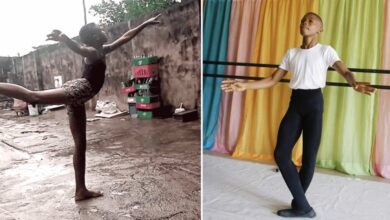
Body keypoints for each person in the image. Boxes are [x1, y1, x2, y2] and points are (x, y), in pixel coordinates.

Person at [221, 12, 375, 218]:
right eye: (302, 20)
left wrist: (354, 83)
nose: (305, 23)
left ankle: (300, 205)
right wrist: (244, 86)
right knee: (281, 154)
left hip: (314, 104)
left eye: (310, 21)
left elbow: (344, 70)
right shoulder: (291, 54)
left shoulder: (325, 51)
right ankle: (303, 207)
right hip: (296, 103)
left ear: (320, 28)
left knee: (309, 158)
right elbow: (272, 80)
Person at [0, 14, 161, 201]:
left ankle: (80, 190)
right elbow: (80, 48)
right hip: (79, 91)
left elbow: (126, 36)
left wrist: (145, 23)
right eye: (100, 29)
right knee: (33, 97)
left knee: (80, 145)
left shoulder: (103, 49)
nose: (104, 30)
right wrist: (65, 38)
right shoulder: (93, 51)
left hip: (79, 96)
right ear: (94, 37)